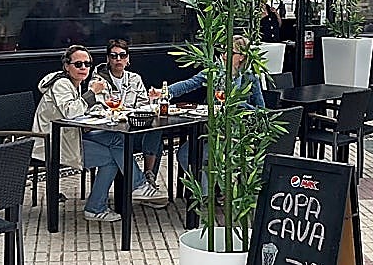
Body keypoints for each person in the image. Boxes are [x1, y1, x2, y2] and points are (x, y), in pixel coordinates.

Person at [33, 45, 163, 223]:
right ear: (66, 66)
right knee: (112, 157)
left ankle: (131, 188)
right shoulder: (61, 84)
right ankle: (104, 202)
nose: (83, 68)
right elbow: (70, 112)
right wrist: (92, 92)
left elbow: (78, 114)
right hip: (55, 143)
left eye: (87, 64)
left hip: (73, 136)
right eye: (78, 64)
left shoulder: (74, 83)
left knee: (117, 139)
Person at [153, 35, 266, 180]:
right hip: (211, 131)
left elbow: (261, 111)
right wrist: (164, 92)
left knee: (204, 157)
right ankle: (207, 195)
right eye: (224, 51)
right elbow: (190, 84)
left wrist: (237, 104)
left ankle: (210, 197)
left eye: (230, 52)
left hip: (236, 137)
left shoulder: (249, 78)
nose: (225, 56)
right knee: (184, 154)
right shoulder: (215, 71)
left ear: (242, 57)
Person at [91, 38, 165, 201]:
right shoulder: (99, 81)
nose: (118, 60)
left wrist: (151, 99)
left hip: (131, 128)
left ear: (128, 58)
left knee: (156, 133)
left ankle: (147, 179)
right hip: (111, 132)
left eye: (122, 55)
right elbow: (99, 106)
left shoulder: (134, 78)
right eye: (114, 56)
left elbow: (143, 104)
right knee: (154, 146)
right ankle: (143, 185)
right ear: (108, 58)